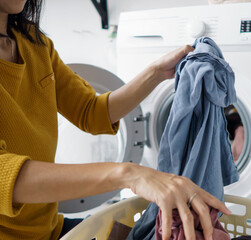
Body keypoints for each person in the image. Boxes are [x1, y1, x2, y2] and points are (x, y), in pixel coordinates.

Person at [0, 1, 231, 240]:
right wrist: (129, 174)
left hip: (52, 231)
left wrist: (156, 73)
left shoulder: (34, 44)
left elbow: (91, 111)